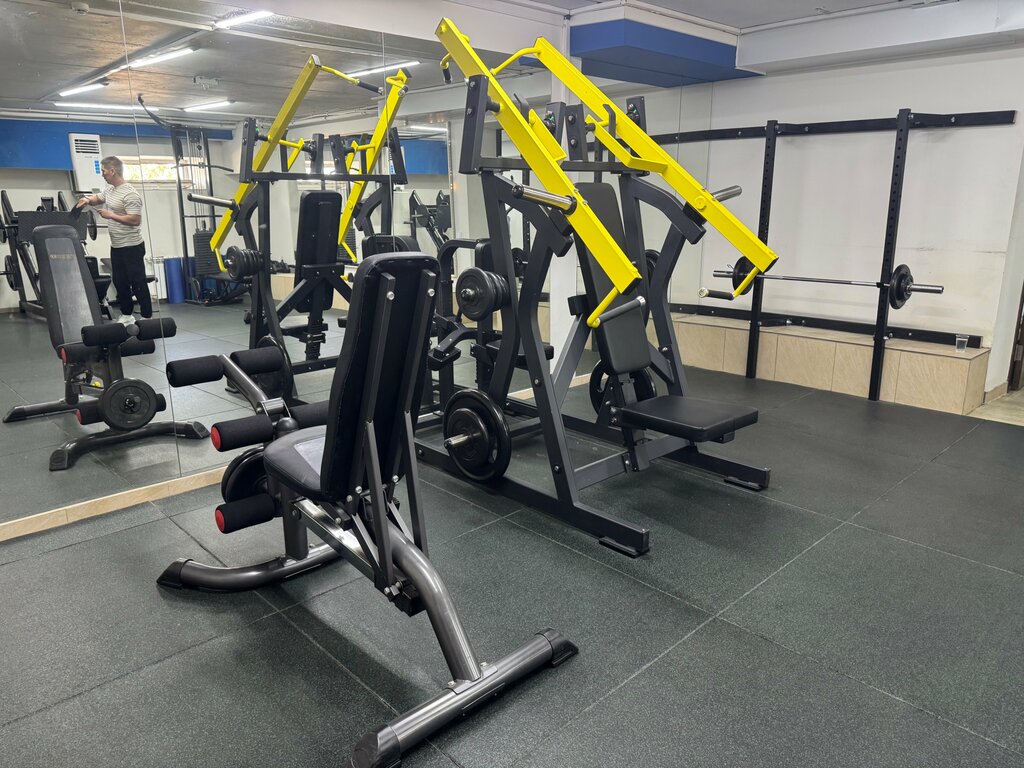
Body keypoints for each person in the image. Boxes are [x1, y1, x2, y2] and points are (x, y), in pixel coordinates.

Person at [76, 156, 150, 325]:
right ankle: (127, 315)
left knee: (138, 282)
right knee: (120, 281)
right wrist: (87, 199)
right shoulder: (110, 190)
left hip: (132, 246)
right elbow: (98, 198)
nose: (102, 174)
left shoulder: (130, 194)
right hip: (117, 245)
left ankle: (147, 317)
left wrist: (111, 215)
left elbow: (135, 220)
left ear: (112, 171)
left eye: (103, 171)